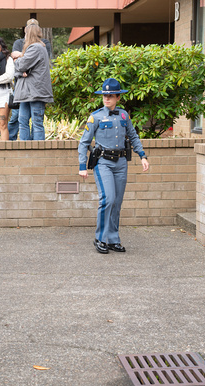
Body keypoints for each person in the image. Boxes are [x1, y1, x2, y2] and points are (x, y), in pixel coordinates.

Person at [78, 78, 149, 254]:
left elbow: (133, 137)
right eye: (104, 95)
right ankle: (100, 238)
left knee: (117, 202)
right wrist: (82, 165)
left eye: (110, 96)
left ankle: (113, 239)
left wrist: (142, 156)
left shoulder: (124, 115)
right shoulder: (95, 116)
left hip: (121, 163)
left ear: (118, 97)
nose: (106, 99)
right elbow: (83, 142)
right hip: (103, 163)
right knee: (107, 199)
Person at [8, 19, 52, 140]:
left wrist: (17, 59)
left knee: (37, 123)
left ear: (28, 33)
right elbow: (19, 70)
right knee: (22, 121)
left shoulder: (36, 48)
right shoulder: (33, 48)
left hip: (35, 92)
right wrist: (21, 70)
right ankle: (24, 151)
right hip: (25, 92)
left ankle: (38, 154)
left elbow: (21, 65)